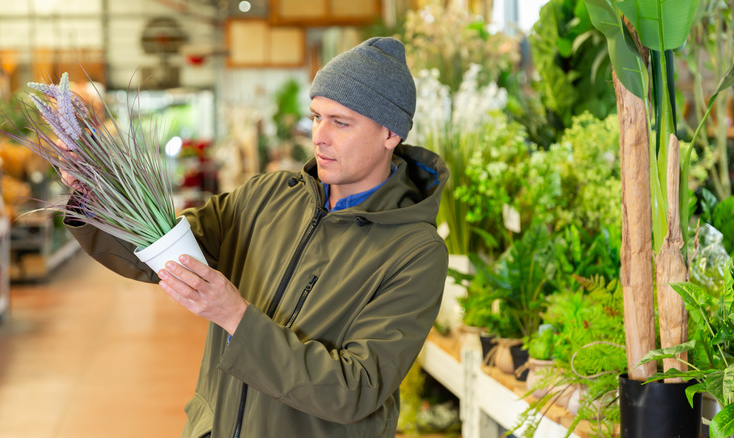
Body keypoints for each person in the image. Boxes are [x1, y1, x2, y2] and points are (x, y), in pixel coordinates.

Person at [65, 36, 449, 438]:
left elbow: (356, 388)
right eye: (317, 116)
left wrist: (235, 316)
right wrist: (96, 196)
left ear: (390, 134)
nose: (320, 136)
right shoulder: (266, 197)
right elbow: (160, 250)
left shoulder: (415, 252)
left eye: (341, 122)